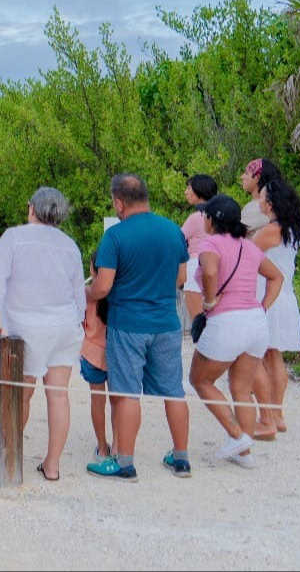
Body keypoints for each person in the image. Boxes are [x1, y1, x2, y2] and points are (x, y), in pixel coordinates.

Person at [86, 174, 191, 482]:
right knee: (174, 392)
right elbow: (181, 277)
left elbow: (102, 287)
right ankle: (181, 458)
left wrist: (87, 294)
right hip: (166, 322)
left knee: (126, 393)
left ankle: (124, 463)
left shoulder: (116, 237)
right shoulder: (173, 230)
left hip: (128, 324)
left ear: (119, 202)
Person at [0, 187, 84, 480]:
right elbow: (78, 294)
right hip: (64, 325)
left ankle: (5, 452)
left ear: (31, 208)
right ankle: (52, 465)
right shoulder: (70, 245)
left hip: (26, 327)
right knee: (59, 395)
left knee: (19, 395)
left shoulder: (14, 237)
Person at [189, 194, 284, 469]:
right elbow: (277, 276)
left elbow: (209, 271)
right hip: (255, 321)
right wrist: (263, 306)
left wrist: (208, 301)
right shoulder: (249, 246)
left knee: (201, 380)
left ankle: (237, 435)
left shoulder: (210, 242)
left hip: (226, 321)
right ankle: (244, 454)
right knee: (241, 388)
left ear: (212, 220)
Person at [250, 179, 300, 440]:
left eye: (261, 197)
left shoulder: (272, 230)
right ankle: (277, 414)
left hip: (269, 295)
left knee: (261, 356)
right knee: (274, 356)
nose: (257, 200)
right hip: (284, 296)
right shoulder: (290, 229)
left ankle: (268, 418)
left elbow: (246, 252)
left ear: (270, 204)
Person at [81, 255, 111, 463]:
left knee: (97, 401)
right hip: (117, 352)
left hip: (92, 351)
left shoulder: (86, 293)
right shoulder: (120, 291)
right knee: (120, 401)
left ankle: (102, 447)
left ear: (92, 268)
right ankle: (120, 444)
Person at [180, 174, 219, 324]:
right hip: (216, 265)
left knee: (198, 322)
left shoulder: (197, 217)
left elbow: (178, 239)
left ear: (199, 190)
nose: (186, 192)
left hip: (196, 264)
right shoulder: (219, 215)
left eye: (189, 188)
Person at [238, 158, 283, 237]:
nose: (242, 177)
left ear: (257, 177)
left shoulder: (259, 207)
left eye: (246, 173)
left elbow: (235, 233)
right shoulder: (273, 206)